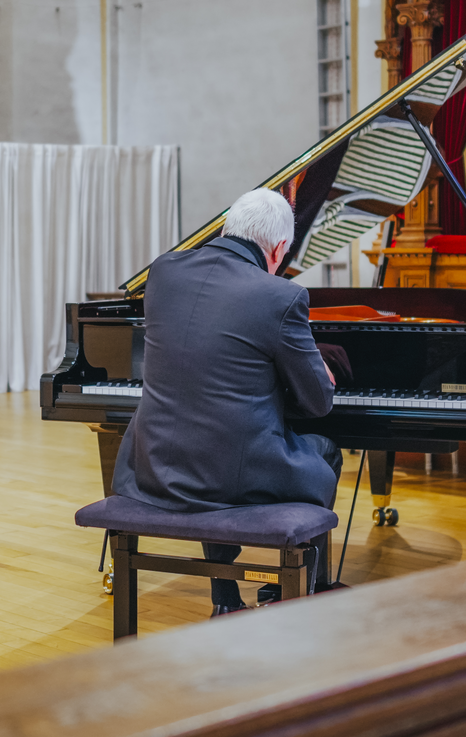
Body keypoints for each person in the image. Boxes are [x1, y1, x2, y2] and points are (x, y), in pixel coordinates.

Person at [111, 187, 343, 616]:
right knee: (325, 452)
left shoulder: (163, 273)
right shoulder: (281, 296)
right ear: (277, 250)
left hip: (157, 464)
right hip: (228, 475)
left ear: (228, 227)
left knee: (210, 438)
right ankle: (290, 588)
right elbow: (317, 404)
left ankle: (226, 600)